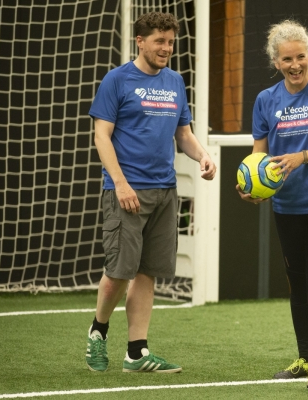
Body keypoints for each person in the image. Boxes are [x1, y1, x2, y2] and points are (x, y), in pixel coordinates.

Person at [85, 11, 216, 373]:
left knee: (148, 273)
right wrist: (122, 183)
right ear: (140, 41)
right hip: (125, 191)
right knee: (119, 273)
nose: (167, 48)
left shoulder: (175, 81)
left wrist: (203, 156)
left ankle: (137, 352)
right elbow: (102, 136)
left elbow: (184, 134)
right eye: (160, 41)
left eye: (171, 41)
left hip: (164, 191)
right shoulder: (116, 80)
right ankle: (98, 330)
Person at [236, 20, 308, 390]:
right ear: (276, 61)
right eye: (287, 59)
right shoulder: (266, 100)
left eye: (301, 56)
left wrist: (302, 157)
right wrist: (254, 187)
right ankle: (304, 359)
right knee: (297, 284)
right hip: (288, 205)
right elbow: (259, 157)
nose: (295, 65)